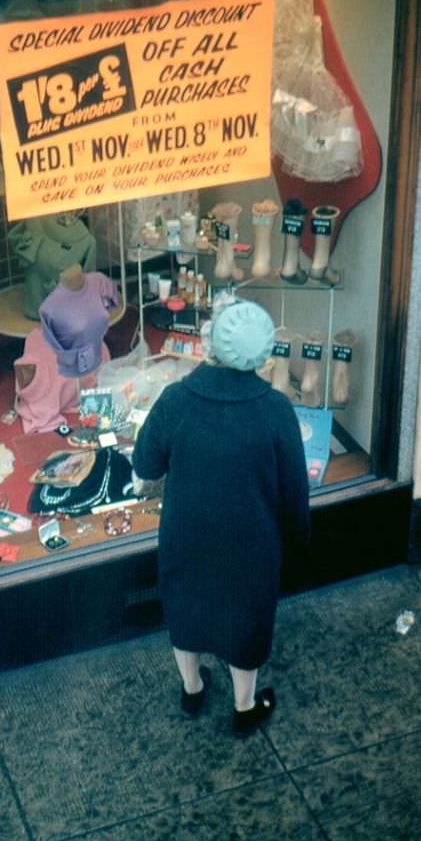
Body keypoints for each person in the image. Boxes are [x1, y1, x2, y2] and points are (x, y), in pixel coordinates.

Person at [132, 294, 310, 736]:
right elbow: (294, 492)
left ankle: (191, 689)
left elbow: (146, 464)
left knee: (185, 609)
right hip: (252, 545)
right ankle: (244, 706)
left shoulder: (177, 400)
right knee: (246, 619)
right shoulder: (276, 411)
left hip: (186, 535)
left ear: (211, 341)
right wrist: (298, 542)